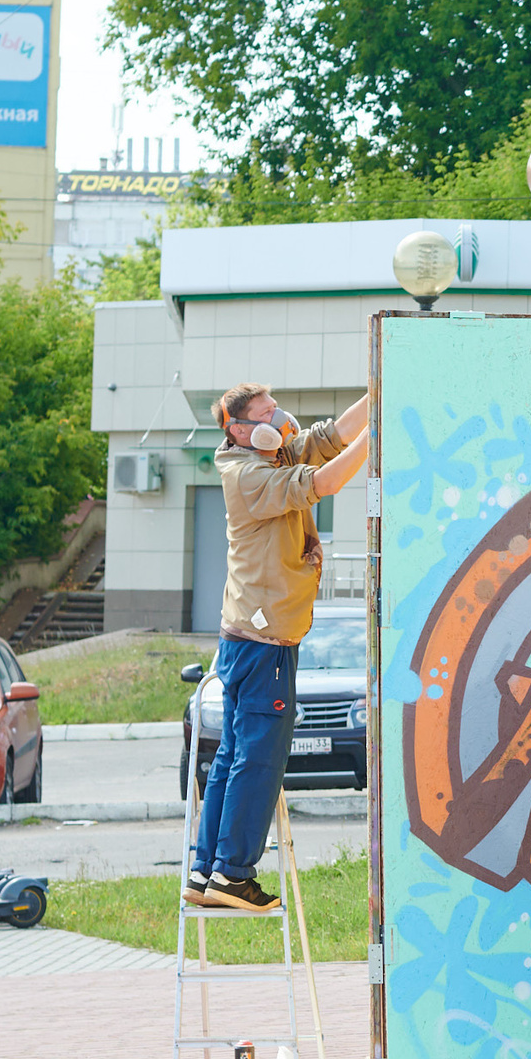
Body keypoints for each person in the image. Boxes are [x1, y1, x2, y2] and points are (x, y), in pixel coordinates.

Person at [187, 382, 370, 912]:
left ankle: (206, 870)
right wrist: (382, 435)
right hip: (263, 639)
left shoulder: (272, 450)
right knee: (260, 759)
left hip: (252, 634)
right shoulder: (248, 476)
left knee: (232, 755)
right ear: (239, 430)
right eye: (266, 415)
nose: (280, 419)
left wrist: (379, 392)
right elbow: (329, 479)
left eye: (276, 409)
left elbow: (331, 436)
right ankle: (234, 874)